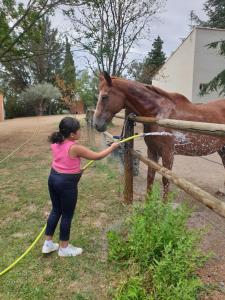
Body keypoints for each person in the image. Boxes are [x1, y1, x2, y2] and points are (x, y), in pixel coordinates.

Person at [42, 116, 119, 257]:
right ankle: (64, 248)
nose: (80, 132)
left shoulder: (56, 143)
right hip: (66, 184)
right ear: (72, 134)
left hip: (53, 179)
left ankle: (48, 244)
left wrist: (76, 170)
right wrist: (113, 147)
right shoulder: (75, 147)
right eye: (79, 130)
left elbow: (64, 162)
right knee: (66, 215)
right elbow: (97, 156)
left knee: (55, 210)